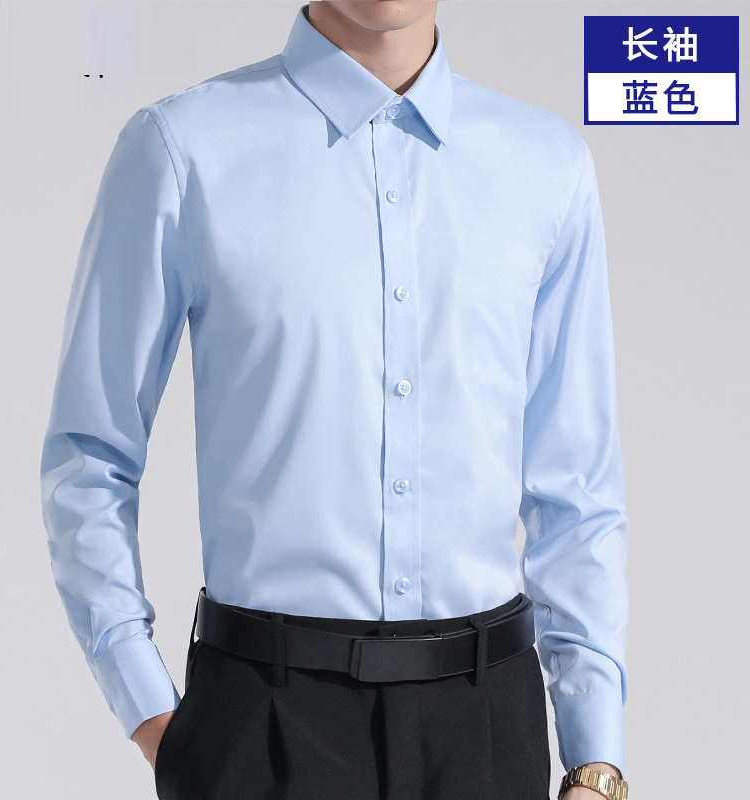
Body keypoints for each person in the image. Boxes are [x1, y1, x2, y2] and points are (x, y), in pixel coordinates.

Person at [39, 2, 630, 799]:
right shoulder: (185, 150)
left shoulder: (545, 164)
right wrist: (154, 714)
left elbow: (576, 484)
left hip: (486, 727)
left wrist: (595, 758)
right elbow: (89, 456)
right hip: (264, 724)